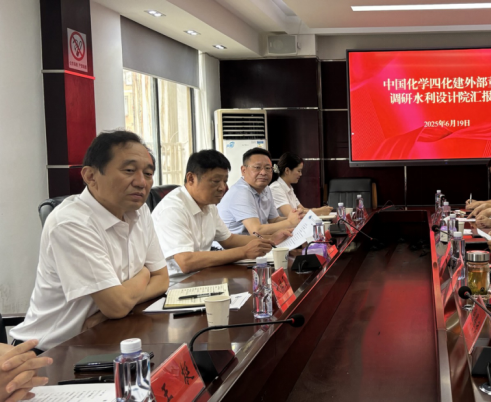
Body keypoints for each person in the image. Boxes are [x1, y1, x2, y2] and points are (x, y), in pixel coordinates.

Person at [10, 131, 170, 350]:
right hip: (50, 351)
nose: (142, 182)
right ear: (90, 176)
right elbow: (117, 305)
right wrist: (144, 274)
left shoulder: (139, 211)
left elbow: (162, 279)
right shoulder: (71, 222)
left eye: (148, 173)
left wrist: (114, 309)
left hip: (106, 333)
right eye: (129, 171)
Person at [152, 150, 293, 275]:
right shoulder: (173, 209)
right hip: (175, 283)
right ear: (191, 179)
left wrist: (271, 239)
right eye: (215, 181)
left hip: (202, 274)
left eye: (225, 181)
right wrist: (244, 252)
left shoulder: (209, 206)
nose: (222, 188)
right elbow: (186, 262)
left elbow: (229, 240)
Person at [217, 148, 302, 236]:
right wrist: (289, 222)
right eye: (257, 167)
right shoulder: (240, 192)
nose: (263, 172)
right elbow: (256, 231)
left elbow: (274, 220)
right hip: (233, 243)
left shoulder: (266, 189)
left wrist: (298, 218)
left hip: (254, 242)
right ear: (243, 170)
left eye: (267, 168)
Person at [269, 152, 333, 217]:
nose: (300, 174)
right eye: (299, 171)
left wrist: (320, 210)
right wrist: (319, 211)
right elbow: (291, 214)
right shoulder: (276, 188)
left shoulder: (289, 187)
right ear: (287, 170)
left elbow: (302, 209)